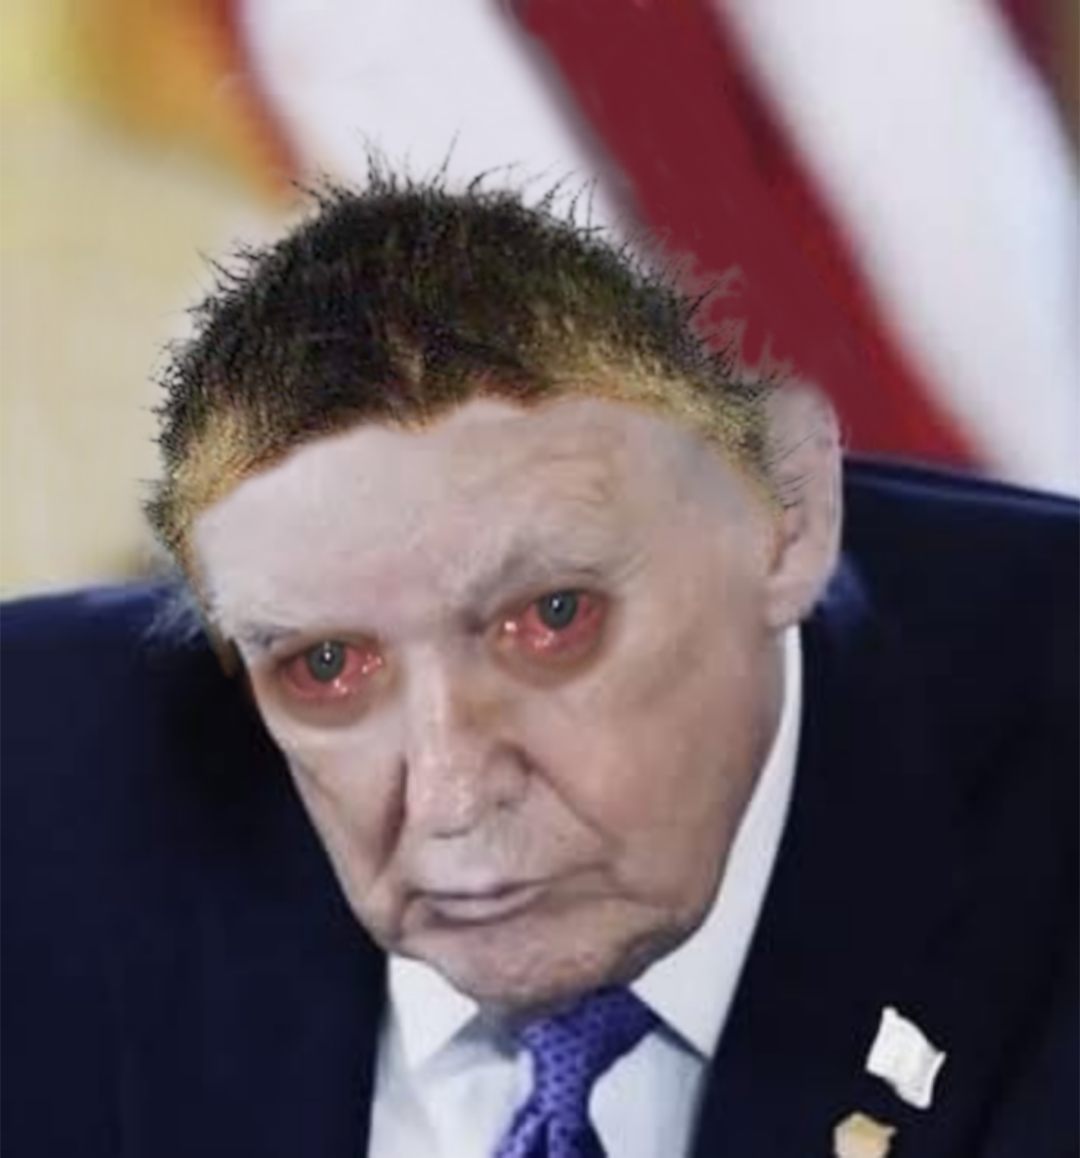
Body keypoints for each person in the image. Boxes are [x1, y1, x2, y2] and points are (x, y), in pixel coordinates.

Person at [3, 169, 1080, 1158]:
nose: (454, 795)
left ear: (786, 523)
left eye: (552, 618)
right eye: (325, 667)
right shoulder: (38, 803)